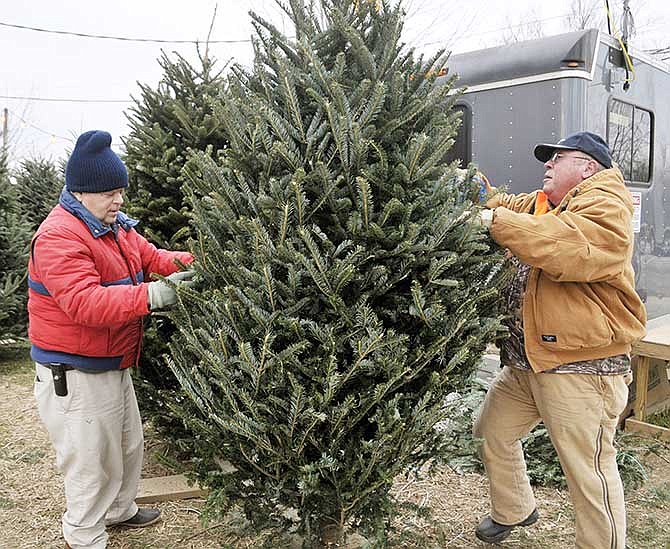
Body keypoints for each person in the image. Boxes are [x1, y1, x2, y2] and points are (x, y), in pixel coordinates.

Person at [473, 131, 646, 548]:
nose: (547, 164)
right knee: (490, 430)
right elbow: (508, 207)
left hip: (581, 368)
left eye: (557, 157)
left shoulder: (605, 205)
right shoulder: (545, 204)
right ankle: (514, 509)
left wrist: (494, 223)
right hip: (531, 362)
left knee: (589, 472)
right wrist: (481, 193)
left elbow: (566, 245)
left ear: (587, 167)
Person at [28, 130, 195, 549]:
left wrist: (203, 263)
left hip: (112, 359)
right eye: (110, 193)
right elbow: (85, 303)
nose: (119, 200)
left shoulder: (113, 225)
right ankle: (84, 534)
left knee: (126, 442)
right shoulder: (59, 237)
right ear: (81, 192)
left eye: (121, 191)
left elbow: (154, 257)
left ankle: (120, 510)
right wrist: (153, 295)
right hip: (74, 369)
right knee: (89, 458)